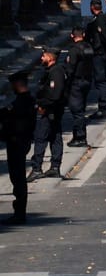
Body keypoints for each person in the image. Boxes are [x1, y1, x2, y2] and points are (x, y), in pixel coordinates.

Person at [27, 47, 68, 182]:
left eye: (43, 56)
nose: (41, 58)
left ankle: (37, 168)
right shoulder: (52, 71)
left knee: (41, 138)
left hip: (50, 111)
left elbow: (55, 96)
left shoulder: (56, 73)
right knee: (54, 136)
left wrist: (42, 105)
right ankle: (54, 167)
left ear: (50, 58)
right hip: (52, 110)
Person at [5, 69, 34, 224]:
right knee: (16, 176)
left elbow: (18, 124)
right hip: (18, 141)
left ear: (17, 84)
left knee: (18, 177)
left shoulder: (22, 103)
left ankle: (20, 212)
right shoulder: (23, 101)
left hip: (17, 142)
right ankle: (19, 211)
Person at [62, 27, 94, 150]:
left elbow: (70, 68)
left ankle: (80, 137)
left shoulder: (74, 50)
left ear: (72, 36)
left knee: (77, 111)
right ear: (84, 35)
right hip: (87, 80)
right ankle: (77, 135)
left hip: (76, 82)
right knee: (81, 109)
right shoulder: (88, 47)